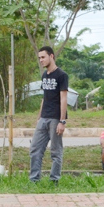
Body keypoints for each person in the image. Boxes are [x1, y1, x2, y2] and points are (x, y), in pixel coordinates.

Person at [29, 46, 68, 183]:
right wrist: (39, 118)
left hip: (55, 118)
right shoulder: (45, 75)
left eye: (43, 57)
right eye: (39, 58)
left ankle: (54, 180)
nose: (41, 60)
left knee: (55, 152)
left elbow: (63, 98)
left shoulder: (62, 75)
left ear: (51, 56)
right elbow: (44, 97)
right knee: (35, 149)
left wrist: (62, 121)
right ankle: (34, 180)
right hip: (44, 118)